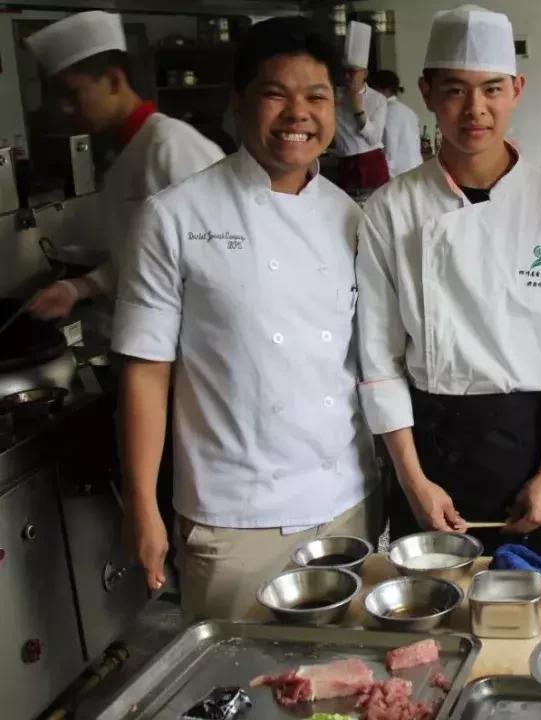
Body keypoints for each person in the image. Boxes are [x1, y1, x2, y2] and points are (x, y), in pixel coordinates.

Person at [113, 16, 382, 621]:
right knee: (240, 696)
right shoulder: (173, 217)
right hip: (232, 520)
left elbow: (363, 363)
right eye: (275, 94)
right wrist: (143, 506)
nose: (298, 114)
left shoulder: (350, 218)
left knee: (350, 693)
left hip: (347, 502)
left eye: (316, 96)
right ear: (238, 104)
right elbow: (146, 372)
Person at [356, 5, 541, 558]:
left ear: (517, 89)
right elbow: (378, 356)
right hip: (430, 452)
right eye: (455, 90)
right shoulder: (391, 207)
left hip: (532, 451)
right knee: (431, 628)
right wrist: (411, 479)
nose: (475, 109)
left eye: (492, 89)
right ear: (426, 92)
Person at [24, 11, 222, 323]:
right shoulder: (124, 157)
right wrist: (76, 288)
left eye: (71, 93)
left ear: (115, 81)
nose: (64, 108)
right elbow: (140, 258)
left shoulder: (171, 146)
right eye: (57, 96)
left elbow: (220, 257)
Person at [334, 21, 390, 194]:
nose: (347, 77)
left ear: (364, 73)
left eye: (352, 72)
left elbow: (374, 138)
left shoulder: (377, 99)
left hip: (371, 161)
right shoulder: (333, 95)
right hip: (345, 164)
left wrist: (358, 109)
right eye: (345, 72)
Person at [368, 69, 423, 178]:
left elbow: (389, 148)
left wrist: (386, 175)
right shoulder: (408, 111)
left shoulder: (387, 112)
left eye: (373, 90)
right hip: (416, 168)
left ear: (385, 90)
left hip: (399, 174)